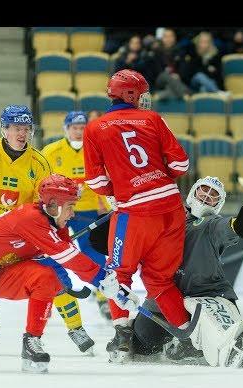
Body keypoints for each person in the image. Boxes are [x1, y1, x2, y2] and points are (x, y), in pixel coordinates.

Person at [0, 174, 139, 373]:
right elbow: (68, 255)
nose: (73, 214)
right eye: (70, 207)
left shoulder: (56, 226)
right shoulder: (29, 218)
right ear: (53, 205)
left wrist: (72, 285)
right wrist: (105, 282)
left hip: (5, 273)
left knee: (44, 278)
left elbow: (60, 258)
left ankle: (31, 341)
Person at [0, 105, 95, 356]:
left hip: (23, 229)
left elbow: (44, 202)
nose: (22, 134)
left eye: (26, 129)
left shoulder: (38, 162)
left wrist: (52, 235)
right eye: (16, 128)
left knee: (51, 273)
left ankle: (75, 327)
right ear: (4, 129)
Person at [89, 176, 243, 367]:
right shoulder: (169, 216)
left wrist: (238, 226)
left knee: (215, 332)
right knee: (141, 345)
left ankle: (230, 341)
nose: (207, 196)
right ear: (193, 192)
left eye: (214, 195)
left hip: (208, 295)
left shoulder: (211, 224)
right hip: (164, 298)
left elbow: (225, 228)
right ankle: (176, 344)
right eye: (203, 190)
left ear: (218, 205)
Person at [83, 69, 191, 363]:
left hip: (135, 212)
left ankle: (121, 337)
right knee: (161, 280)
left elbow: (94, 182)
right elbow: (181, 163)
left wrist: (117, 191)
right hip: (171, 208)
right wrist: (157, 179)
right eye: (142, 93)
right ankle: (187, 337)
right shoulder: (154, 119)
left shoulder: (94, 128)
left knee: (118, 274)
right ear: (132, 95)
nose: (145, 98)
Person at [41, 111, 112, 320]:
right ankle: (55, 292)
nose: (79, 132)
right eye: (75, 127)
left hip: (88, 209)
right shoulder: (51, 151)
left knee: (93, 251)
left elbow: (105, 178)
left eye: (82, 128)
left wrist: (104, 203)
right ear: (66, 128)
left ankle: (103, 295)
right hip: (58, 211)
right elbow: (41, 178)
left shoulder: (95, 150)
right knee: (53, 250)